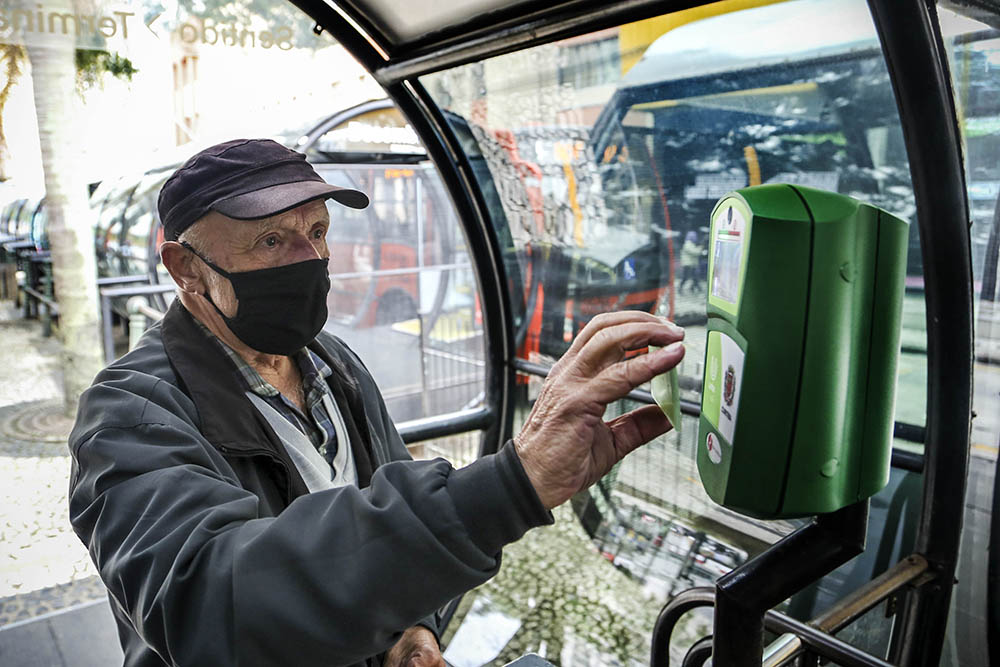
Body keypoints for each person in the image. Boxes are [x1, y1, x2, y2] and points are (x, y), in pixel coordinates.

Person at [67, 139, 685, 667]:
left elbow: (387, 507)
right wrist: (510, 484)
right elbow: (209, 604)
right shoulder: (130, 413)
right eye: (271, 242)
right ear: (185, 268)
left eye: (317, 232)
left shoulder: (332, 364)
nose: (310, 260)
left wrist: (411, 627)